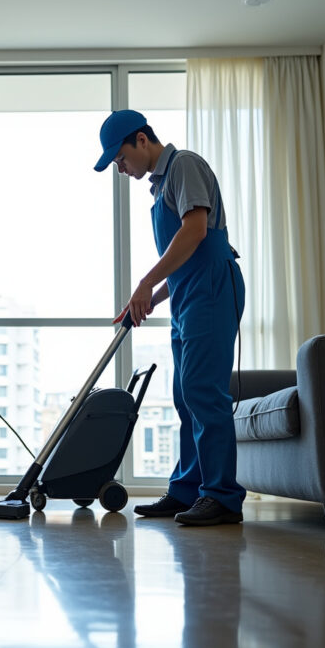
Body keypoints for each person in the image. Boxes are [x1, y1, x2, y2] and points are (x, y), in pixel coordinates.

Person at [94, 109, 245, 526]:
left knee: (203, 390)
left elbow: (195, 232)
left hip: (213, 288)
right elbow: (182, 260)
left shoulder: (184, 165)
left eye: (120, 159)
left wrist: (144, 282)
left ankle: (222, 496)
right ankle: (187, 491)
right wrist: (157, 297)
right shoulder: (159, 188)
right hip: (187, 295)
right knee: (184, 395)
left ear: (141, 140)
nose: (120, 169)